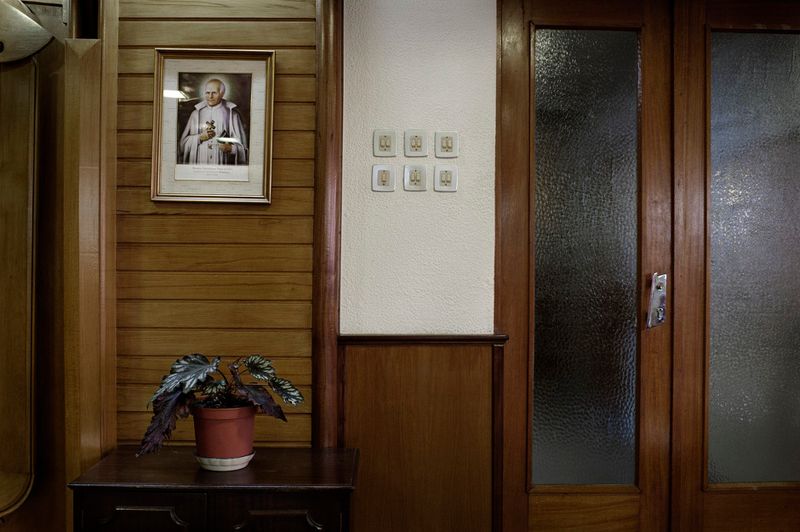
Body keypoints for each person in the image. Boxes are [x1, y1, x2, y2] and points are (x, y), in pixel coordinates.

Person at [178, 78, 248, 165]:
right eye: (207, 93)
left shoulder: (232, 115)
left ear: (222, 94)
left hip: (223, 165)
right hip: (199, 164)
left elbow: (243, 149)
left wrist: (231, 148)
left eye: (214, 93)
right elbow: (182, 145)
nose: (210, 96)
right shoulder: (195, 114)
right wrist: (199, 138)